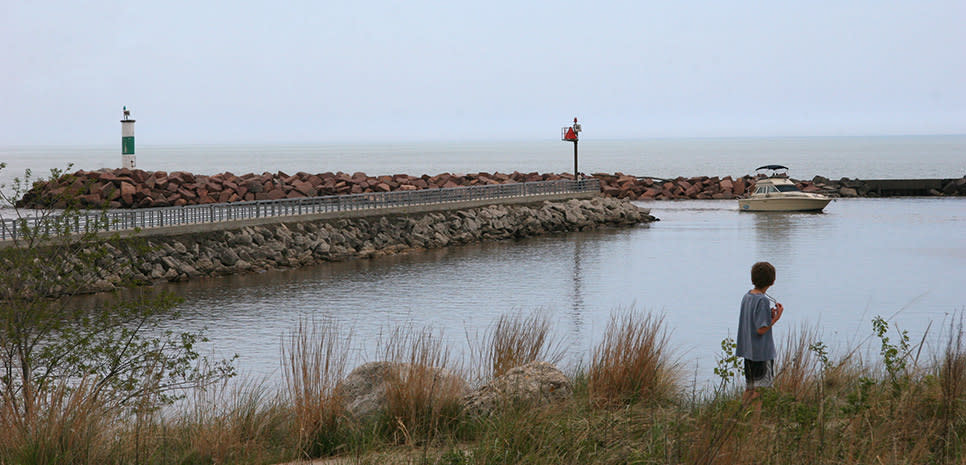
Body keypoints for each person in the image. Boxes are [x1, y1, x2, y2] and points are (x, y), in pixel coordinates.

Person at [736, 261, 784, 404]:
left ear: (753, 279)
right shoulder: (762, 300)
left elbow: (753, 321)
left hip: (748, 353)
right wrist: (776, 317)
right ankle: (756, 425)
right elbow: (761, 329)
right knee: (760, 392)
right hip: (761, 354)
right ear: (772, 281)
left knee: (750, 389)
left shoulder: (747, 296)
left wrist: (768, 316)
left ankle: (740, 417)